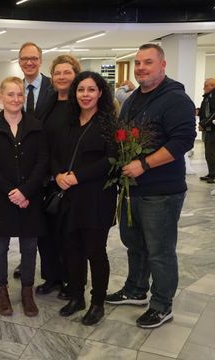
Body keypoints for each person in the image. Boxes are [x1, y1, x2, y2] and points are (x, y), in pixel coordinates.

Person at [106, 44, 196, 329]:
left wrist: (144, 164)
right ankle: (135, 290)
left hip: (162, 190)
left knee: (159, 250)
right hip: (133, 187)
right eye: (138, 63)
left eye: (148, 62)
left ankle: (161, 305)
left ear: (162, 65)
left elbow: (183, 141)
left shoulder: (175, 99)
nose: (142, 68)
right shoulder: (133, 99)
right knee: (135, 244)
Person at [51, 71, 117, 326]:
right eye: (81, 90)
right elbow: (54, 153)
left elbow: (111, 159)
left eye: (91, 90)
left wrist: (77, 176)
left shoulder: (109, 124)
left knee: (95, 251)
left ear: (100, 92)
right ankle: (76, 296)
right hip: (69, 196)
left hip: (97, 197)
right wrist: (58, 175)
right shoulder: (67, 123)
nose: (85, 95)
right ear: (74, 93)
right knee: (72, 249)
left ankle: (97, 302)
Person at [0, 76, 47, 317]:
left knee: (29, 246)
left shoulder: (35, 125)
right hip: (2, 197)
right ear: (1, 96)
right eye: (10, 94)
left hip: (30, 197)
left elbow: (42, 161)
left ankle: (27, 293)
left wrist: (26, 191)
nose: (16, 99)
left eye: (19, 94)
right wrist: (12, 192)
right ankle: (2, 291)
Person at [36, 55, 81, 300]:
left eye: (67, 72)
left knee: (68, 236)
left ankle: (70, 281)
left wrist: (64, 173)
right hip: (47, 179)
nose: (62, 77)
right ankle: (51, 277)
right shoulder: (49, 103)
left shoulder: (81, 105)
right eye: (57, 73)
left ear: (76, 75)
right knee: (47, 233)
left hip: (70, 180)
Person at [13, 42, 53, 278]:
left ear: (40, 60)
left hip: (49, 166)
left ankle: (51, 272)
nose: (29, 62)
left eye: (33, 58)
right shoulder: (16, 88)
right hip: (23, 166)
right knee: (26, 222)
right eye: (24, 58)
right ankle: (25, 263)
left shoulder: (52, 87)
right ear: (19, 61)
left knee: (47, 225)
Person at [198, 78, 215, 183]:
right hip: (208, 129)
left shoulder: (213, 96)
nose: (203, 88)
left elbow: (213, 113)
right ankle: (211, 173)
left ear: (212, 85)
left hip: (212, 129)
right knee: (209, 153)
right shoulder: (208, 97)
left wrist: (203, 123)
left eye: (206, 85)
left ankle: (213, 176)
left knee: (211, 153)